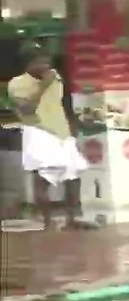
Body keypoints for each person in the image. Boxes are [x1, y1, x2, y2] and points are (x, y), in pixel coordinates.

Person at [7, 48, 94, 230]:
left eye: (47, 62)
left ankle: (72, 219)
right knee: (42, 179)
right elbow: (27, 109)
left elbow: (60, 103)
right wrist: (43, 86)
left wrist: (72, 126)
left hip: (62, 133)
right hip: (39, 132)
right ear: (29, 64)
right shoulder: (17, 84)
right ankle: (47, 221)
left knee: (73, 176)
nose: (45, 66)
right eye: (40, 62)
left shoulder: (56, 78)